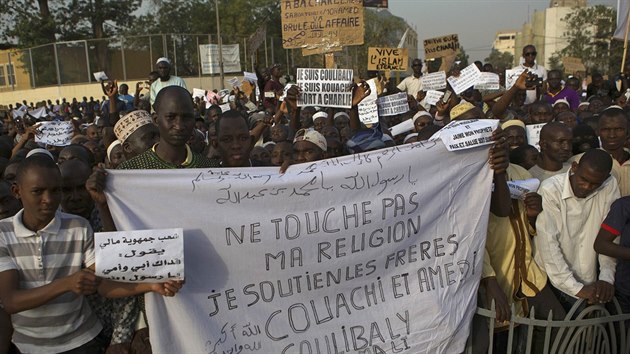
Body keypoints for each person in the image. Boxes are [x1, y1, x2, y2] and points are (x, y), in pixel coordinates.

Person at [0, 155, 105, 353]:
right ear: (16, 191)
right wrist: (66, 283)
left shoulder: (78, 226)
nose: (48, 200)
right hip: (27, 346)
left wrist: (152, 284)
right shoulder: (3, 233)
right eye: (38, 191)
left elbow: (103, 281)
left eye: (56, 190)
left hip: (81, 340)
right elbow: (11, 301)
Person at [535, 149, 619, 311]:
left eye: (595, 184)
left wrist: (606, 279)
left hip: (591, 279)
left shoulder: (609, 185)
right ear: (574, 167)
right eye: (583, 180)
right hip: (553, 280)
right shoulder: (550, 190)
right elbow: (549, 246)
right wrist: (577, 289)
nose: (587, 187)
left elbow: (609, 237)